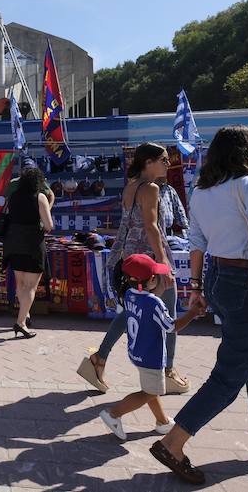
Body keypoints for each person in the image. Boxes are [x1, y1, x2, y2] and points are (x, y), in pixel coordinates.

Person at [152, 125, 248, 485]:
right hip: (245, 284)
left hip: (218, 278)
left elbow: (197, 241)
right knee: (230, 373)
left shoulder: (202, 190)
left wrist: (195, 286)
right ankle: (173, 442)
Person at [77, 143, 189, 395]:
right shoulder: (150, 188)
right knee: (168, 314)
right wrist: (163, 266)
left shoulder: (131, 186)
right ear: (149, 162)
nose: (167, 164)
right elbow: (152, 227)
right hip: (149, 259)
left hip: (131, 258)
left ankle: (99, 359)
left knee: (131, 310)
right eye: (163, 159)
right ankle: (168, 371)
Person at [99, 254, 203, 441]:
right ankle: (113, 414)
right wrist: (193, 312)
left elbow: (146, 305)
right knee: (151, 391)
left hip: (137, 352)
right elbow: (172, 327)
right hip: (151, 356)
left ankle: (162, 422)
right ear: (152, 280)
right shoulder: (154, 303)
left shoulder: (129, 294)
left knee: (151, 388)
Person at [1, 166, 53, 339]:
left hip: (14, 243)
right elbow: (48, 226)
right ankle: (21, 322)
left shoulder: (14, 197)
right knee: (31, 286)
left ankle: (25, 315)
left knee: (21, 284)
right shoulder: (40, 197)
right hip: (32, 245)